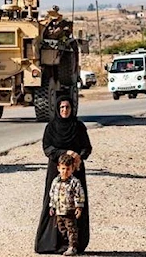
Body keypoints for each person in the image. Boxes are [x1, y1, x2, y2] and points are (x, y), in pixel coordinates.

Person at [35, 96, 92, 254]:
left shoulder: (78, 127)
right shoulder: (51, 127)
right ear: (57, 109)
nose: (65, 110)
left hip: (76, 171)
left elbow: (87, 147)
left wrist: (79, 156)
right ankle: (52, 242)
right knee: (54, 203)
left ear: (72, 109)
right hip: (56, 171)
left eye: (67, 107)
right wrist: (65, 153)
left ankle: (74, 244)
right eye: (61, 108)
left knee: (75, 205)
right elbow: (47, 148)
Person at [49, 154, 85, 256]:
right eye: (63, 168)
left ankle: (72, 247)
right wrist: (52, 206)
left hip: (69, 210)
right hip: (59, 210)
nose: (65, 171)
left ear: (72, 169)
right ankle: (66, 244)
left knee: (71, 229)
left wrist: (79, 207)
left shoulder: (74, 182)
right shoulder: (56, 182)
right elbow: (52, 194)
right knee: (61, 228)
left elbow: (79, 195)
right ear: (59, 168)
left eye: (68, 169)